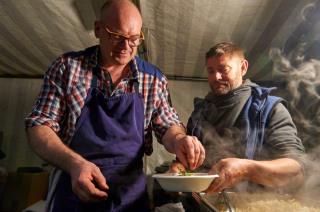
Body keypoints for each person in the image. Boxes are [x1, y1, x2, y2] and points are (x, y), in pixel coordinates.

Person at [24, 0, 205, 211]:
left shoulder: (153, 79)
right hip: (74, 191)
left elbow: (167, 124)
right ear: (98, 29)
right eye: (117, 36)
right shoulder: (68, 69)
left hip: (129, 197)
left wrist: (180, 139)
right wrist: (74, 164)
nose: (125, 47)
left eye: (134, 39)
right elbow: (39, 125)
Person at [171, 42, 306, 197]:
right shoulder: (200, 112)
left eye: (223, 69)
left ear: (243, 67)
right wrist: (178, 169)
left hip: (249, 205)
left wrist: (246, 169)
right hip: (200, 205)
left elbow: (297, 170)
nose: (216, 77)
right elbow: (185, 162)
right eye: (210, 71)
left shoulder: (269, 109)